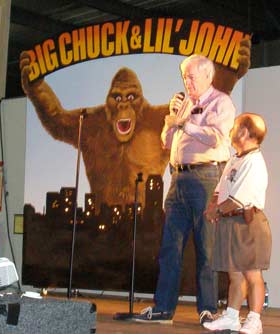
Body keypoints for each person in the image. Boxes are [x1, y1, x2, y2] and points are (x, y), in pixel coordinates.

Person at [133, 54, 236, 325]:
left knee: (207, 246)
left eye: (190, 76)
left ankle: (208, 309)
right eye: (184, 77)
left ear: (207, 76)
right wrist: (170, 122)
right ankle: (163, 308)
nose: (186, 82)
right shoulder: (185, 104)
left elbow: (218, 137)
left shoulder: (221, 102)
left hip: (206, 177)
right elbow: (167, 143)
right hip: (178, 178)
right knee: (170, 246)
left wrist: (185, 124)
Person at [203, 113, 271, 334]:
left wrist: (216, 212)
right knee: (234, 274)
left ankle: (254, 319)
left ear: (244, 132)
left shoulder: (254, 162)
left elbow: (237, 200)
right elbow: (220, 189)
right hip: (231, 221)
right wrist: (213, 205)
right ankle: (232, 316)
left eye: (235, 126)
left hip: (247, 223)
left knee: (252, 274)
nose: (231, 130)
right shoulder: (236, 158)